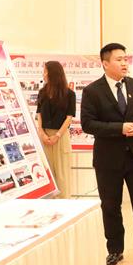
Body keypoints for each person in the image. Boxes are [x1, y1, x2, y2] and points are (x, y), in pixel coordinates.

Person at [81, 42, 133, 265]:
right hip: (108, 159)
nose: (124, 63)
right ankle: (115, 250)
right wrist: (119, 128)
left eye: (125, 59)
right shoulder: (92, 91)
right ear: (105, 63)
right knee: (110, 206)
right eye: (119, 59)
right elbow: (88, 124)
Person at [35, 60, 76, 199]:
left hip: (61, 136)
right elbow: (39, 114)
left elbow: (69, 117)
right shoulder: (42, 92)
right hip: (44, 136)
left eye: (45, 71)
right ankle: (50, 205)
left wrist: (57, 135)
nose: (43, 74)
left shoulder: (69, 94)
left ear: (53, 73)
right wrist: (41, 132)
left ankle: (64, 203)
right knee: (48, 173)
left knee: (62, 173)